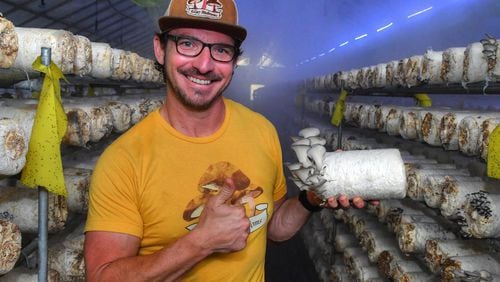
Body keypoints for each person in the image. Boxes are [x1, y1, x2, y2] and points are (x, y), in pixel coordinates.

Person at [83, 0, 370, 280]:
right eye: (188, 43)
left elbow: (272, 226)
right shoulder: (124, 160)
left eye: (221, 50)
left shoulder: (261, 131)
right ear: (160, 49)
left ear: (235, 62)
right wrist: (200, 243)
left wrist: (312, 197)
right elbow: (103, 275)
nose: (205, 64)